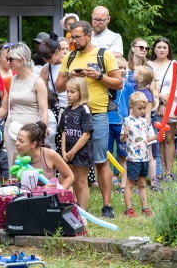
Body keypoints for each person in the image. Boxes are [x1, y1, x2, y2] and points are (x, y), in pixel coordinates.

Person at [56, 20, 123, 219]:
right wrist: (69, 75)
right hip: (75, 115)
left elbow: (119, 83)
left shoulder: (104, 55)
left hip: (98, 114)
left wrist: (99, 76)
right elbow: (59, 86)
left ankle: (107, 205)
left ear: (88, 35)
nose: (74, 41)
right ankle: (77, 205)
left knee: (101, 161)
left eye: (77, 37)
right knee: (76, 162)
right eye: (71, 38)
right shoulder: (70, 56)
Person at [0, 43, 48, 168]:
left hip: (31, 131)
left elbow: (44, 111)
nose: (8, 62)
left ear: (22, 59)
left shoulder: (37, 81)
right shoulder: (10, 81)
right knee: (14, 166)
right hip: (11, 128)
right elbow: (4, 108)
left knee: (33, 166)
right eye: (7, 58)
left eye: (11, 59)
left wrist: (42, 132)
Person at [149, 37, 177, 179]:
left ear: (168, 49)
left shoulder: (174, 64)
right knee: (157, 139)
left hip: (171, 104)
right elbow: (146, 84)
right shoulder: (148, 64)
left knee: (169, 138)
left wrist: (165, 103)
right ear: (154, 49)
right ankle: (157, 171)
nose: (162, 50)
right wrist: (159, 98)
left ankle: (168, 172)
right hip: (152, 104)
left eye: (164, 47)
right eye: (159, 47)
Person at [121, 92, 158, 217]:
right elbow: (122, 139)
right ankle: (128, 209)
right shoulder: (127, 121)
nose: (142, 110)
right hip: (133, 158)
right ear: (132, 106)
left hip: (145, 158)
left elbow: (147, 138)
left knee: (142, 183)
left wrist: (158, 136)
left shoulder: (144, 122)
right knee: (130, 183)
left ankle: (145, 208)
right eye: (139, 108)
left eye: (144, 108)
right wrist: (125, 134)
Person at [59, 77, 93, 208]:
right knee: (65, 178)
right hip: (67, 152)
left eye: (72, 92)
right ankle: (70, 206)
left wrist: (73, 152)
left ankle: (83, 211)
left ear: (81, 92)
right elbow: (63, 131)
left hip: (82, 152)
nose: (68, 95)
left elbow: (86, 134)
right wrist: (64, 151)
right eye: (67, 91)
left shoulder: (85, 110)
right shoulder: (67, 110)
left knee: (80, 182)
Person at [16, 122, 74, 189]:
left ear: (34, 144)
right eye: (17, 139)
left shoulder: (50, 155)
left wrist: (59, 192)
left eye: (21, 141)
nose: (16, 143)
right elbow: (17, 183)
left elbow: (69, 176)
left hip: (47, 197)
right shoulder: (17, 156)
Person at [37, 37, 68, 153]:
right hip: (57, 110)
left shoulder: (70, 63)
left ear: (57, 52)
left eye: (48, 57)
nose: (46, 60)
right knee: (58, 145)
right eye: (44, 58)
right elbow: (42, 94)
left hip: (73, 107)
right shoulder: (46, 70)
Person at [109, 56, 134, 191]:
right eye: (119, 68)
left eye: (124, 68)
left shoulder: (129, 86)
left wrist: (130, 120)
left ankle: (124, 184)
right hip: (108, 122)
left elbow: (132, 104)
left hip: (122, 123)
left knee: (122, 153)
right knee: (106, 154)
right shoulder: (107, 85)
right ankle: (109, 179)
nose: (122, 71)